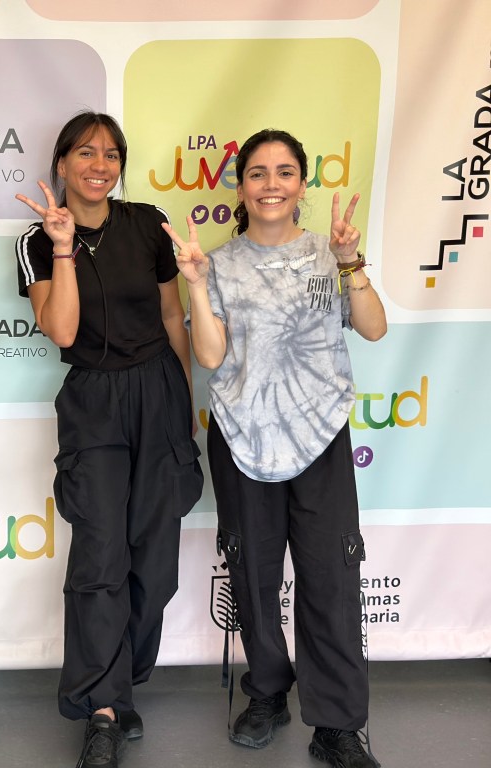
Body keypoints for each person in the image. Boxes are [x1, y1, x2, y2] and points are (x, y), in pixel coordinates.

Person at [163, 128, 387, 768]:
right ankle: (266, 693)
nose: (270, 184)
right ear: (240, 187)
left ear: (301, 183)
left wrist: (350, 263)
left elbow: (374, 328)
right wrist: (196, 284)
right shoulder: (217, 263)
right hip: (243, 436)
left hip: (320, 436)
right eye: (257, 173)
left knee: (330, 578)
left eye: (284, 172)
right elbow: (209, 357)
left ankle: (336, 724)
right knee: (254, 575)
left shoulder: (329, 252)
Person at [15, 112, 204, 768]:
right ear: (61, 163)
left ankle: (121, 683)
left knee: (154, 561)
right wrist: (64, 246)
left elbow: (172, 315)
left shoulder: (147, 223)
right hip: (94, 402)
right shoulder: (37, 240)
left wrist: (184, 405)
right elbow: (63, 331)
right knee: (99, 557)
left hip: (158, 391)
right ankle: (102, 707)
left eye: (111, 154)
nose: (100, 165)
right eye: (85, 153)